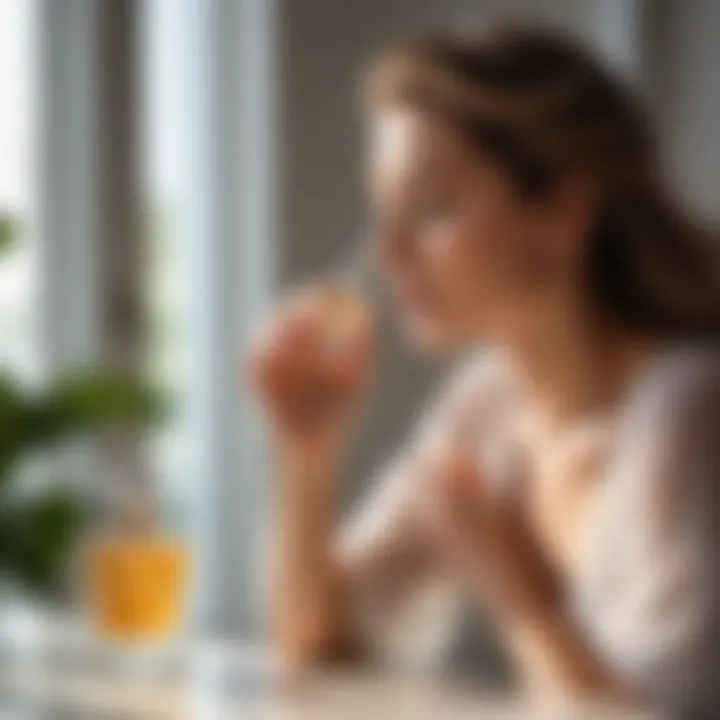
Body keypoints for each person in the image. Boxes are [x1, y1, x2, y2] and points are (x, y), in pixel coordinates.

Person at [250, 25, 720, 715]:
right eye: (385, 213)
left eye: (433, 209)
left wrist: (519, 588)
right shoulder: (487, 405)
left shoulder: (690, 416)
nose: (390, 253)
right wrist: (307, 455)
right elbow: (317, 648)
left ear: (564, 212)